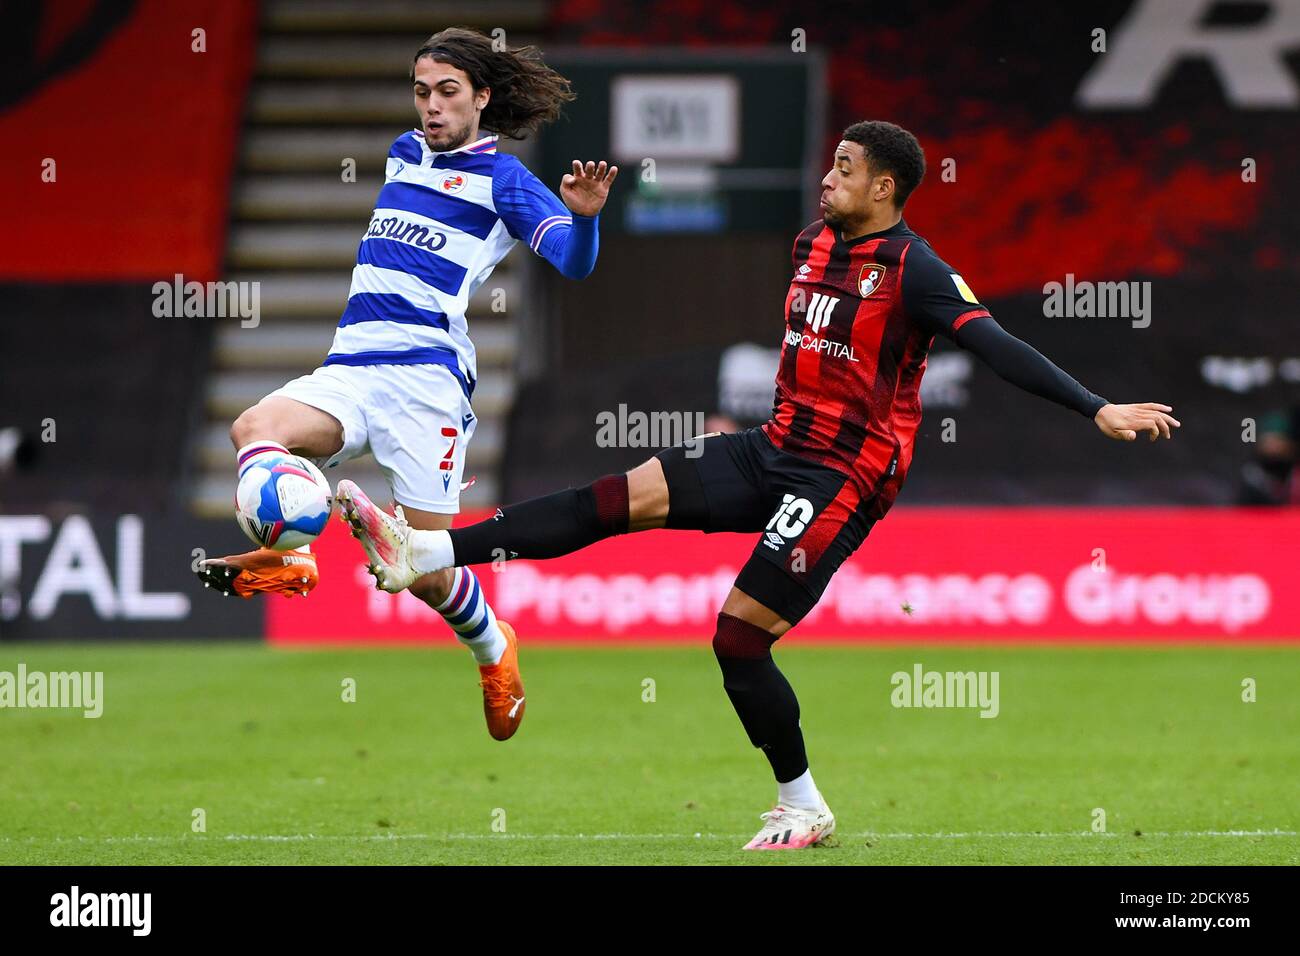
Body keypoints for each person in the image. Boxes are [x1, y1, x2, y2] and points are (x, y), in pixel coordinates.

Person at [337, 120, 1179, 849]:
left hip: (843, 475)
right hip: (772, 445)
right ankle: (428, 550)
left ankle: (801, 805)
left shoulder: (915, 269)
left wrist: (1095, 407)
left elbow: (995, 344)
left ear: (884, 188)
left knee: (738, 640)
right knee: (617, 496)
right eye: (831, 165)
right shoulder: (811, 244)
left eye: (844, 169)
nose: (828, 178)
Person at [196, 27, 618, 741]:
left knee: (423, 568)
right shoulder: (403, 153)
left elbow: (574, 265)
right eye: (422, 92)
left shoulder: (505, 181)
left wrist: (584, 220)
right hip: (353, 364)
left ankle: (494, 649)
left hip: (426, 383)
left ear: (481, 98)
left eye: (448, 92)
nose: (431, 106)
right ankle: (293, 556)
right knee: (254, 429)